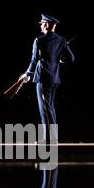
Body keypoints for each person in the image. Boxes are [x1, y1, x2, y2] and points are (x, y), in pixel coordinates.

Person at [20, 14, 75, 143]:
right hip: (55, 78)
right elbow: (71, 58)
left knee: (44, 109)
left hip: (43, 79)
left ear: (46, 24)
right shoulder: (61, 40)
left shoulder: (39, 41)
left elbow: (34, 62)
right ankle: (53, 137)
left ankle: (48, 139)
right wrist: (60, 60)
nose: (40, 25)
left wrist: (27, 74)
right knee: (50, 107)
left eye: (42, 23)